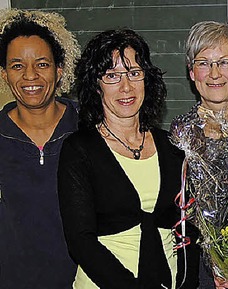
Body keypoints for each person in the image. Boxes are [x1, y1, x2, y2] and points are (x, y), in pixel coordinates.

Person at [57, 29, 199, 289]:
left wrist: (187, 282)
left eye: (134, 73)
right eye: (112, 76)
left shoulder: (172, 147)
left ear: (147, 79)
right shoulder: (79, 150)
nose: (126, 87)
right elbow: (81, 241)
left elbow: (187, 228)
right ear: (96, 85)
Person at [0, 9, 80, 288]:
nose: (30, 76)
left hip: (87, 281)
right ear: (5, 74)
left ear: (59, 71)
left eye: (42, 64)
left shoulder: (92, 128)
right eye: (17, 66)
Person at [169, 21, 228, 289]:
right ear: (192, 73)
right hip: (198, 270)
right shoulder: (179, 133)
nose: (214, 73)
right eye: (203, 63)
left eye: (224, 62)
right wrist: (218, 265)